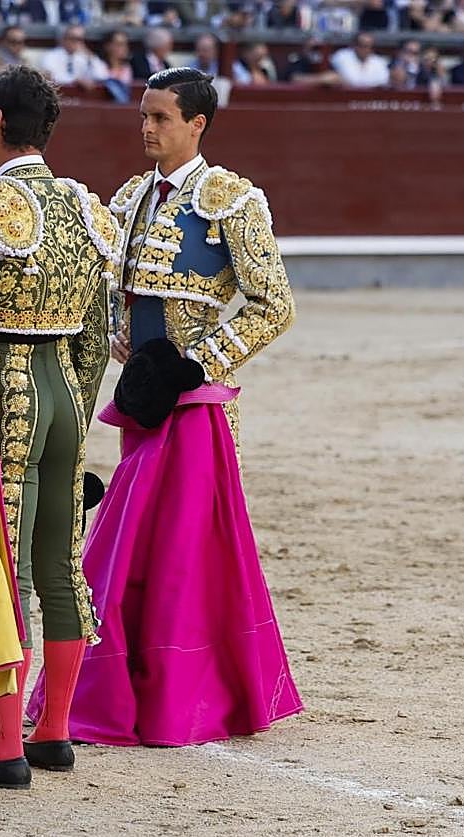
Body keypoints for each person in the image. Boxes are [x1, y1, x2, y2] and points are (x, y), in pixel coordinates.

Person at [26, 67, 301, 748]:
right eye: (144, 116)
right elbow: (112, 294)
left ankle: (189, 696)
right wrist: (125, 351)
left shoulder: (231, 200)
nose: (147, 129)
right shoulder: (129, 199)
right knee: (143, 552)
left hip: (199, 407)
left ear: (197, 124)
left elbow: (277, 305)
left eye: (161, 118)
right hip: (142, 406)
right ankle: (145, 687)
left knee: (182, 556)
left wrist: (195, 365)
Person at [0, 66, 122, 789]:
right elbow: (98, 333)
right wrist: (76, 392)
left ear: (1, 120)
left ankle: (6, 747)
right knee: (60, 566)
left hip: (5, 400)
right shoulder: (81, 207)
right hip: (66, 395)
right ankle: (54, 732)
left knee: (1, 566)